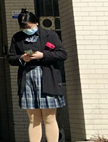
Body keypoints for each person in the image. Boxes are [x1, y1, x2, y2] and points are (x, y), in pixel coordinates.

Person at [7, 10, 67, 142]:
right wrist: (22, 58)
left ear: (36, 23)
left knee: (49, 118)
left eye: (29, 26)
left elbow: (62, 54)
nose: (26, 29)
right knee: (33, 118)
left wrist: (43, 55)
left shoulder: (50, 35)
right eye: (23, 27)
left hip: (47, 78)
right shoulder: (17, 37)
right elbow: (11, 58)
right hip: (28, 78)